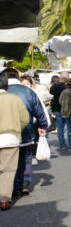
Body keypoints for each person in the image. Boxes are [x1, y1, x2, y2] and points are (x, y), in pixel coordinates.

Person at [0, 68, 46, 197]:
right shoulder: (28, 90)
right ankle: (24, 184)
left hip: (4, 135)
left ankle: (12, 187)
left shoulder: (5, 92)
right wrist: (43, 125)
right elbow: (39, 109)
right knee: (25, 158)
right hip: (25, 131)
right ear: (18, 77)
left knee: (7, 163)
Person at [0, 73, 30, 211]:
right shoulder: (14, 99)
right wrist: (17, 128)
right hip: (10, 138)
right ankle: (4, 200)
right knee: (8, 170)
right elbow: (25, 119)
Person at [20, 75, 50, 166]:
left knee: (33, 139)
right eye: (23, 84)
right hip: (20, 121)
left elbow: (41, 109)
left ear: (31, 84)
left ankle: (33, 156)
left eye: (27, 84)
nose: (26, 86)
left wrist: (43, 124)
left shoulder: (34, 93)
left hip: (33, 121)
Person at [49, 72, 69, 149]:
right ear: (66, 77)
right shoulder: (68, 86)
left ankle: (62, 144)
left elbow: (52, 98)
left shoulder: (54, 86)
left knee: (60, 128)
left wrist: (53, 109)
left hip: (57, 109)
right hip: (68, 110)